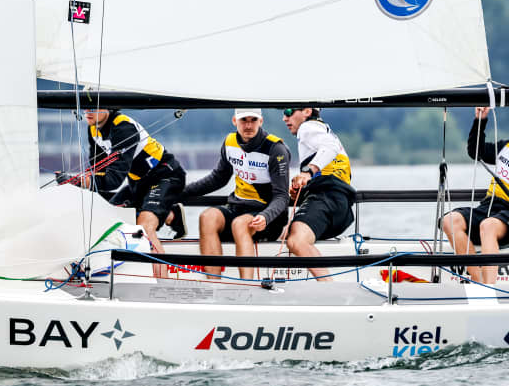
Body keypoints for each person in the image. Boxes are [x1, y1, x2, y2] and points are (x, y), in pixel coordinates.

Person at [440, 105, 509, 285]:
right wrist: (480, 120)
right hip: (488, 209)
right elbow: (475, 151)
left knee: (488, 226)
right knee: (449, 221)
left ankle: (489, 287)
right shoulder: (506, 146)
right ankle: (478, 282)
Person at [58, 109, 186, 268]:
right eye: (85, 107)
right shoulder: (93, 128)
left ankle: (163, 285)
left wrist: (79, 181)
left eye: (94, 107)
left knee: (144, 228)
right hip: (137, 183)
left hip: (165, 175)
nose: (87, 112)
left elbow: (113, 180)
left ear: (108, 108)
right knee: (107, 219)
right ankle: (170, 214)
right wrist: (78, 183)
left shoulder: (124, 127)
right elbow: (98, 170)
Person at [182, 109, 292, 280]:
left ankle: (245, 287)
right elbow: (217, 179)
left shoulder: (276, 149)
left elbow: (282, 196)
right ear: (235, 121)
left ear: (261, 121)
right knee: (207, 216)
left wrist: (265, 216)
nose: (248, 125)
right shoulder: (229, 142)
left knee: (240, 224)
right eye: (243, 120)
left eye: (253, 120)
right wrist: (179, 192)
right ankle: (214, 286)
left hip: (268, 217)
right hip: (238, 208)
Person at [282, 107, 355, 281]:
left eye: (289, 111)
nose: (284, 118)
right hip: (339, 204)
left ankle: (329, 289)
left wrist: (308, 172)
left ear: (307, 111)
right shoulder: (322, 129)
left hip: (327, 197)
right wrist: (299, 192)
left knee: (296, 241)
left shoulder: (307, 128)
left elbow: (330, 147)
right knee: (284, 233)